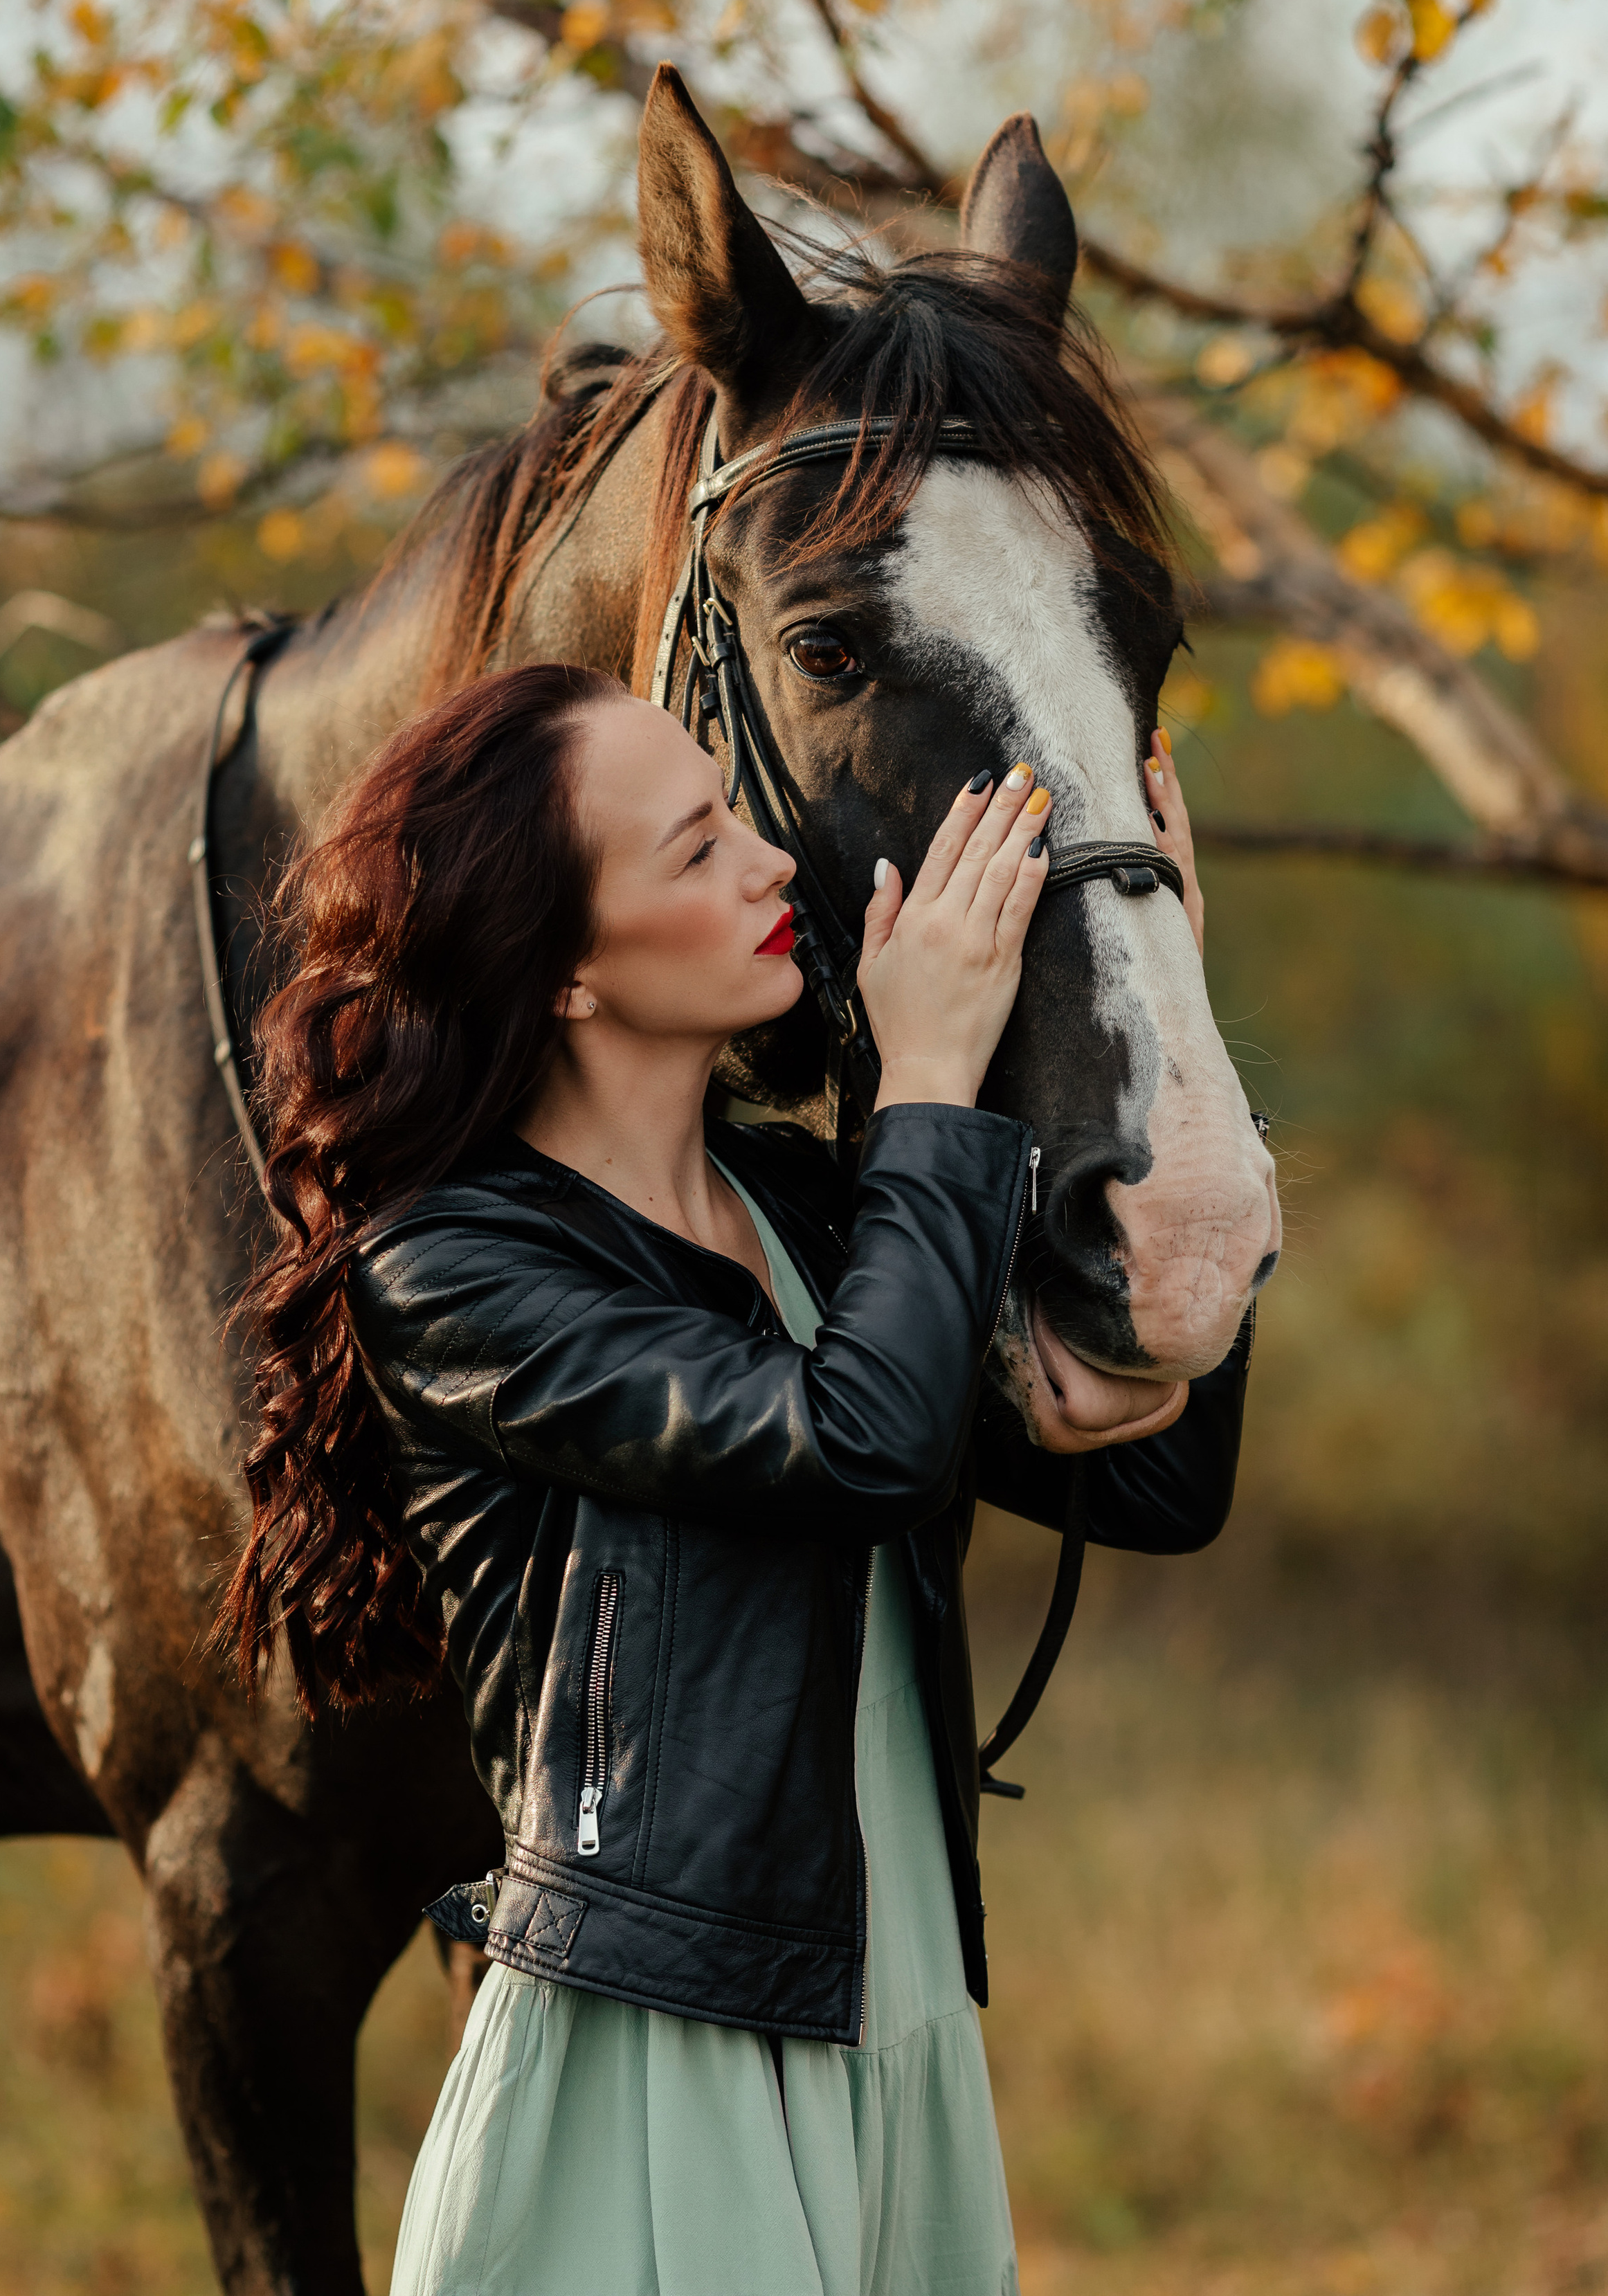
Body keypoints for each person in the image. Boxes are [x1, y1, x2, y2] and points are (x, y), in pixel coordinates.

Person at [222, 661, 1245, 2296]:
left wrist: (1166, 1015)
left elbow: (1160, 1483)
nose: (769, 863)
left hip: (888, 2014)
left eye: (735, 818)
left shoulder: (811, 1208)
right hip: (665, 2052)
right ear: (562, 967)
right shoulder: (458, 1271)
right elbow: (853, 1444)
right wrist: (922, 1090)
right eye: (693, 851)